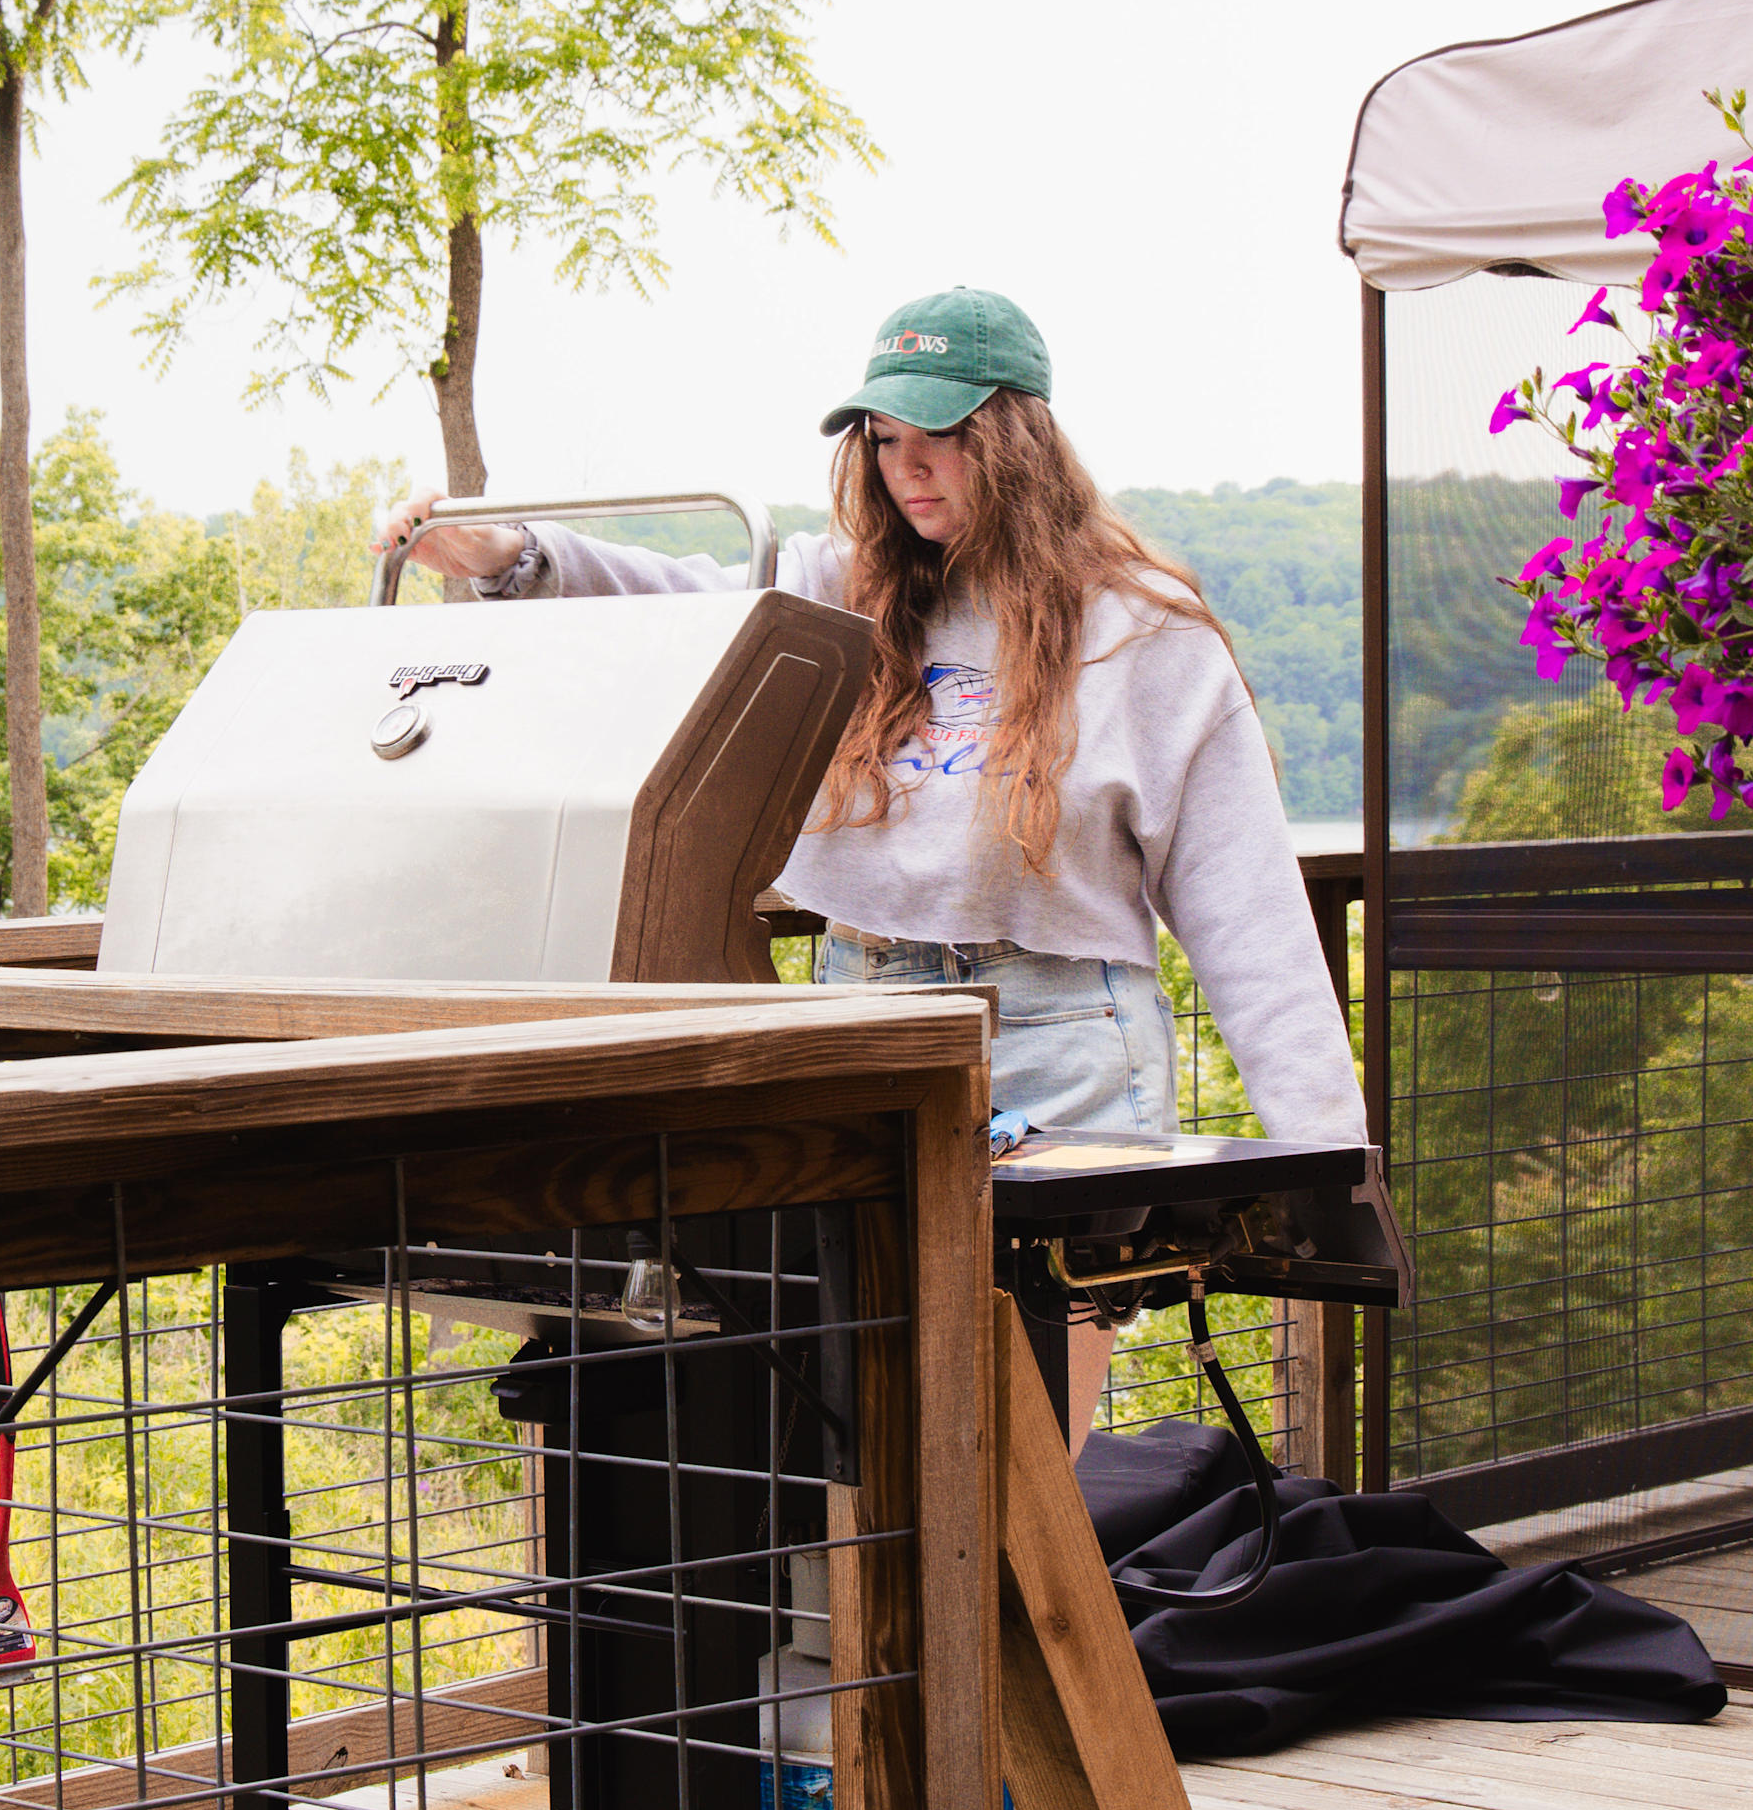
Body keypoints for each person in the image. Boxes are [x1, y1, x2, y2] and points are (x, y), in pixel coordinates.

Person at [377, 286, 1367, 1446]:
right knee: (872, 1445)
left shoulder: (1142, 633)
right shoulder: (843, 593)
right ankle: (867, 1640)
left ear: (1017, 437)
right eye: (887, 440)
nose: (911, 469)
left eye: (942, 437)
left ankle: (1018, 1627)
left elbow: (1248, 911)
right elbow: (678, 600)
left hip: (1063, 1047)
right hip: (863, 1028)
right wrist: (514, 554)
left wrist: (1332, 1170)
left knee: (1021, 1457)